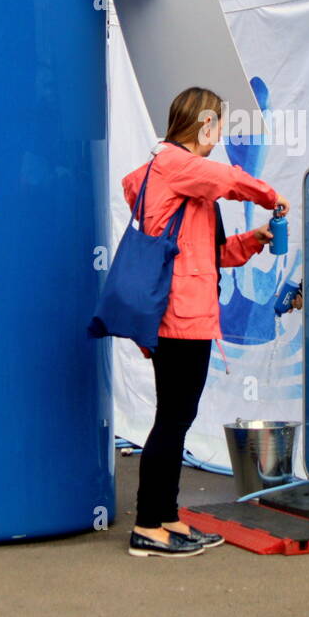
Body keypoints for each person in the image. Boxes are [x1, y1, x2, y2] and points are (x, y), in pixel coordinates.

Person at [121, 86, 287, 558]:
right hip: (181, 319)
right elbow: (231, 179)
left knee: (175, 419)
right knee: (173, 421)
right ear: (205, 125)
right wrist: (271, 197)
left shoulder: (184, 186)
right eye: (219, 127)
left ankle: (166, 517)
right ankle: (149, 526)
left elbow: (212, 258)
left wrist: (254, 239)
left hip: (186, 316)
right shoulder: (174, 165)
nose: (221, 138)